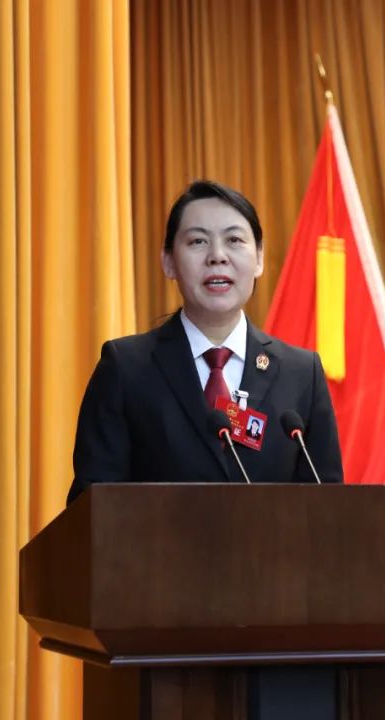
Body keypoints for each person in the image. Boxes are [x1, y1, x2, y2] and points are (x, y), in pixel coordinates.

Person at [67, 180, 343, 503]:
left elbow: (328, 511)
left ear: (259, 258)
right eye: (198, 241)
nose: (217, 256)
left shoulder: (301, 374)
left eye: (234, 240)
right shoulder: (126, 369)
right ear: (168, 261)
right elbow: (92, 509)